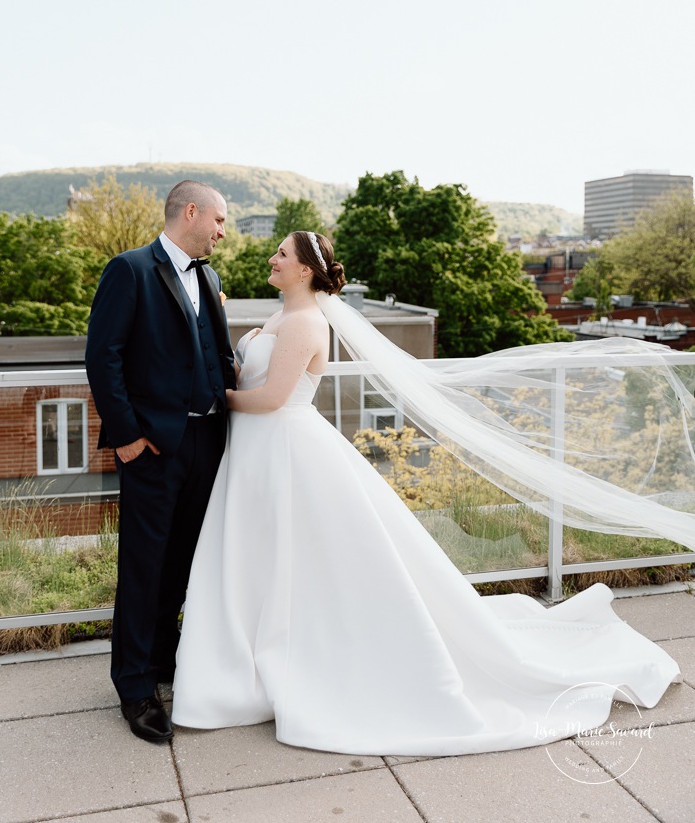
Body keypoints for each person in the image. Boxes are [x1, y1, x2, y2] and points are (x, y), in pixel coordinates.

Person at [170, 231, 688, 756]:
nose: (272, 259)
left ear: (305, 270)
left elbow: (274, 397)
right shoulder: (282, 317)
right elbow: (249, 375)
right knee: (266, 558)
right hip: (258, 455)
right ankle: (254, 657)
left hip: (285, 450)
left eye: (282, 254)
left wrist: (213, 403)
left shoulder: (306, 322)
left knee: (301, 560)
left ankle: (294, 655)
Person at [86, 179, 235, 744]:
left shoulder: (211, 276)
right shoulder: (129, 269)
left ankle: (164, 657)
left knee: (182, 563)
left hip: (206, 443)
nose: (223, 231)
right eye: (219, 220)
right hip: (150, 449)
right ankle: (134, 685)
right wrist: (126, 438)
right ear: (191, 212)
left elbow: (216, 356)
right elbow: (104, 357)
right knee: (144, 566)